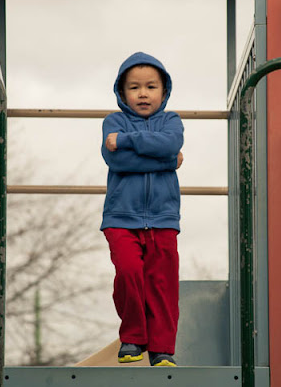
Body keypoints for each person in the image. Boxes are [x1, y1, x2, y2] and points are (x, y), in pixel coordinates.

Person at [101, 52, 184, 367]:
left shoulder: (171, 121)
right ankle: (133, 337)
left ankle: (161, 348)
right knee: (129, 272)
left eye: (151, 86)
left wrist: (127, 140)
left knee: (163, 283)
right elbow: (117, 161)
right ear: (122, 93)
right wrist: (167, 161)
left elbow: (171, 144)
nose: (143, 93)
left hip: (163, 218)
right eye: (134, 87)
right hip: (121, 217)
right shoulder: (113, 122)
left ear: (164, 91)